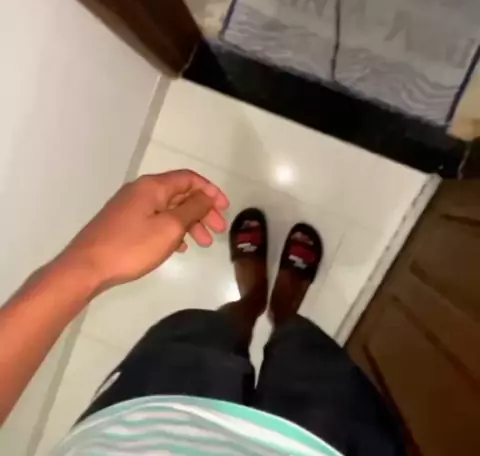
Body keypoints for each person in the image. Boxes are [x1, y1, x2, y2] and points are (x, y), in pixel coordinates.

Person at [0, 170, 405, 455]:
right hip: (322, 449)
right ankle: (283, 306)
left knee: (205, 334)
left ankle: (254, 300)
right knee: (309, 357)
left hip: (142, 427)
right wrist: (87, 266)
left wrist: (87, 264)